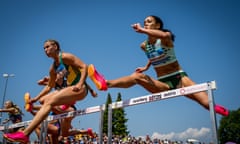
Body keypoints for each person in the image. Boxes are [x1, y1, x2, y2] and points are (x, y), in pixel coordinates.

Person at [88, 15, 229, 116]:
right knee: (137, 77)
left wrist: (143, 31)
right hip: (163, 83)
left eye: (149, 22)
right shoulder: (144, 46)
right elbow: (154, 56)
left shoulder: (166, 38)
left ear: (158, 26)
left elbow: (164, 38)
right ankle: (106, 83)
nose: (146, 24)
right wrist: (146, 67)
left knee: (206, 104)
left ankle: (223, 111)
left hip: (180, 78)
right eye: (144, 22)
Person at [3, 39, 90, 143]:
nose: (45, 50)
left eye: (47, 47)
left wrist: (80, 84)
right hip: (70, 90)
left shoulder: (66, 57)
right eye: (44, 48)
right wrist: (35, 99)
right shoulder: (53, 68)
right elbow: (49, 86)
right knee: (44, 100)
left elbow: (84, 66)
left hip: (81, 89)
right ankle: (26, 133)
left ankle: (25, 133)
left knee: (49, 101)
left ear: (56, 47)